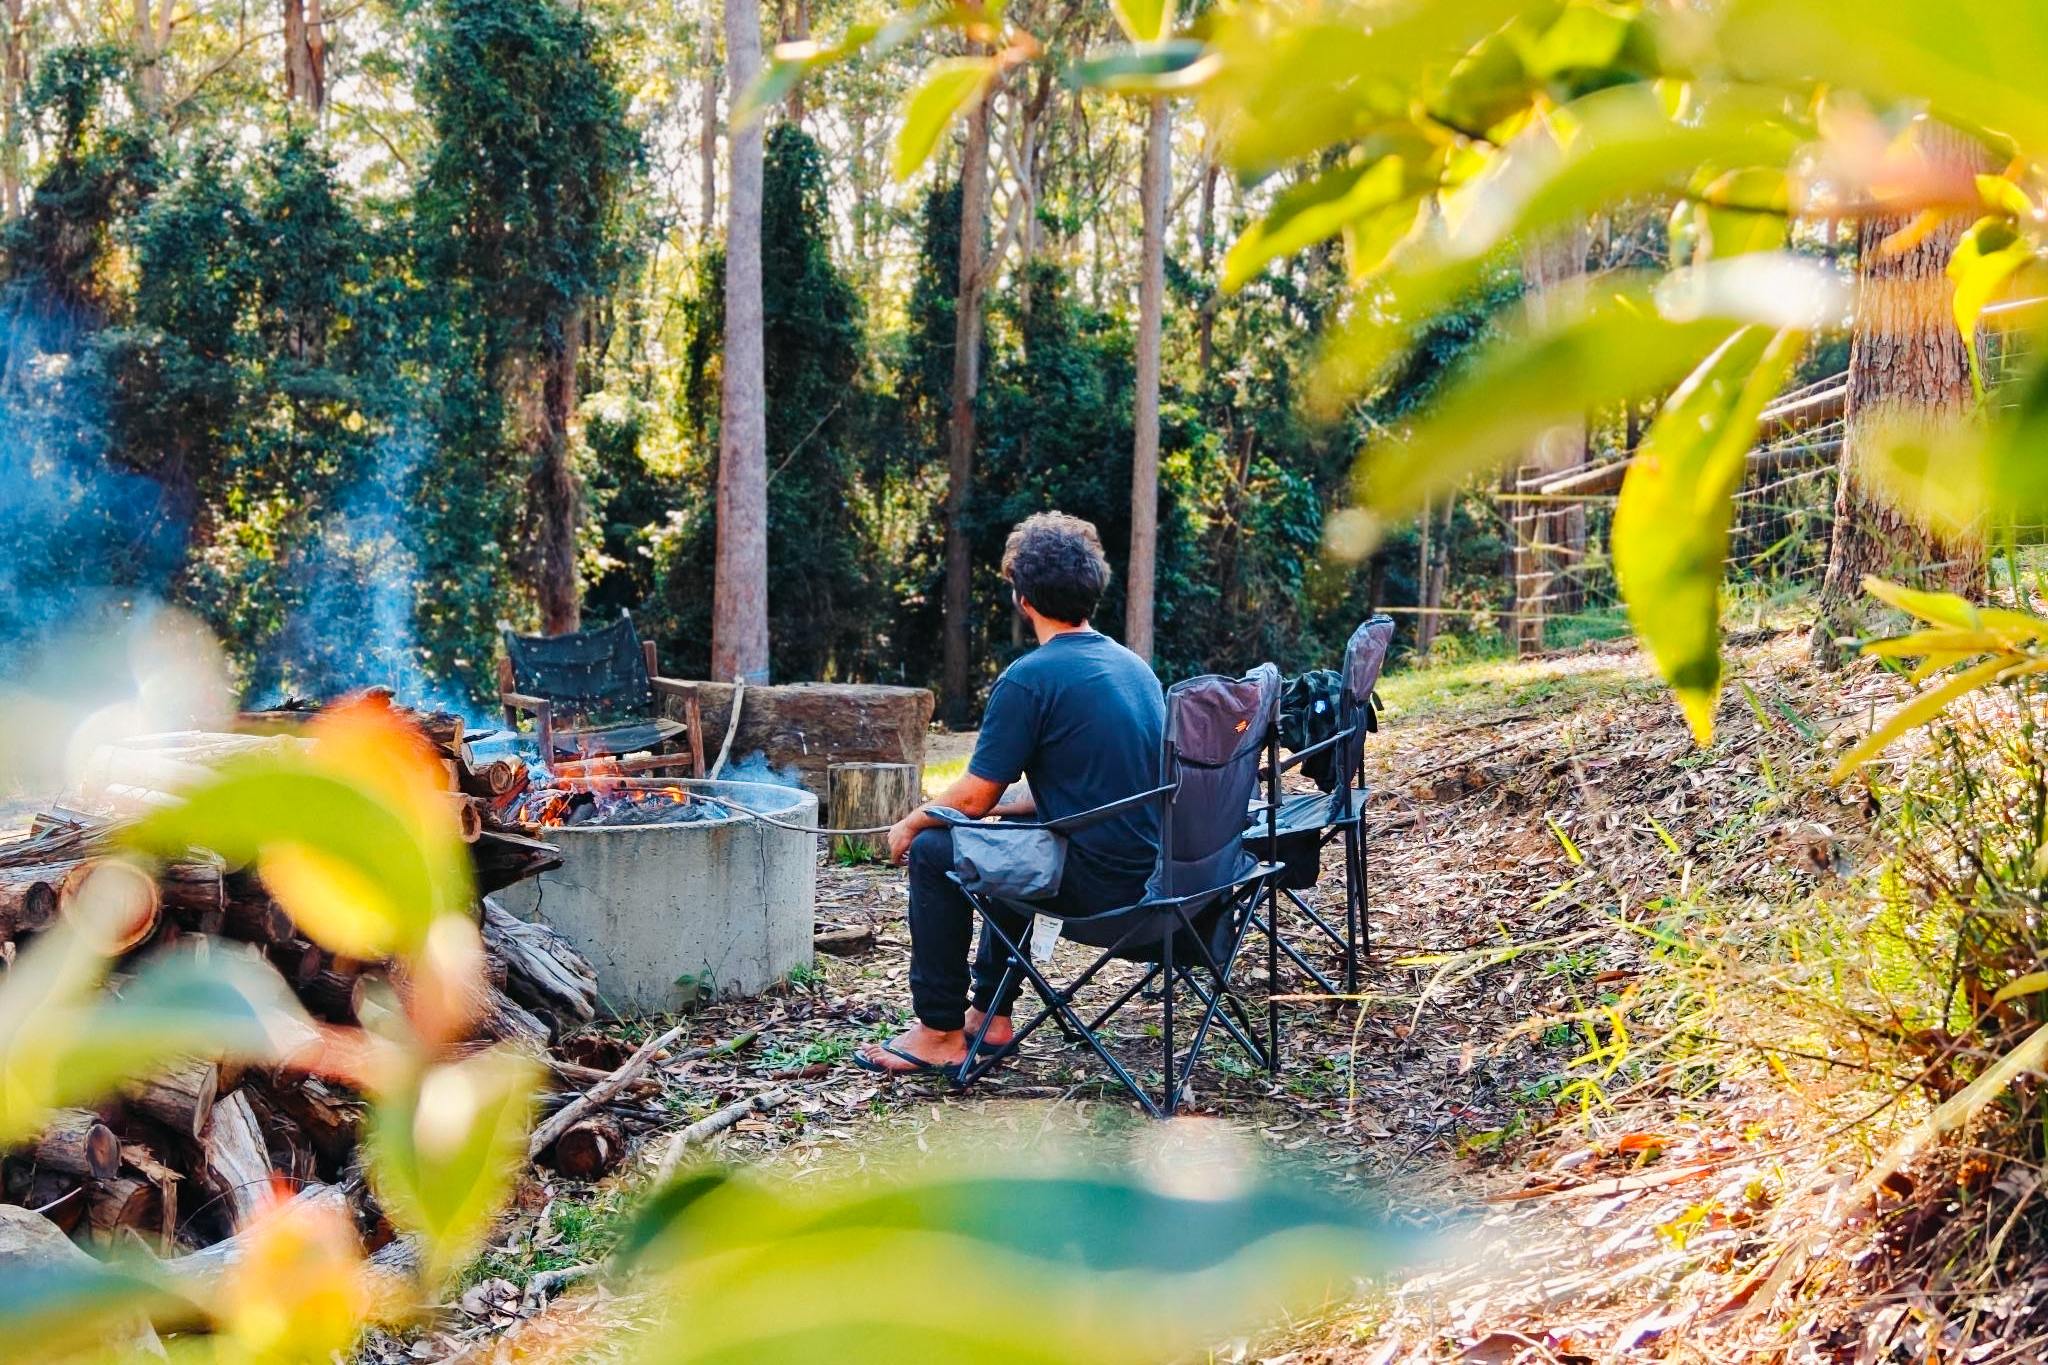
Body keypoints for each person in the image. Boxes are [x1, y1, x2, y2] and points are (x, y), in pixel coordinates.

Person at [855, 512, 1165, 1075]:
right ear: (1093, 589)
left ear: (1022, 597)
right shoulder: (1133, 668)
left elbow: (971, 797)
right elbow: (1080, 792)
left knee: (932, 854)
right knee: (1003, 842)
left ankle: (939, 1030)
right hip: (1151, 879)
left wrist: (913, 821)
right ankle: (990, 1018)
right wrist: (986, 810)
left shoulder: (1032, 677)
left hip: (1096, 891)